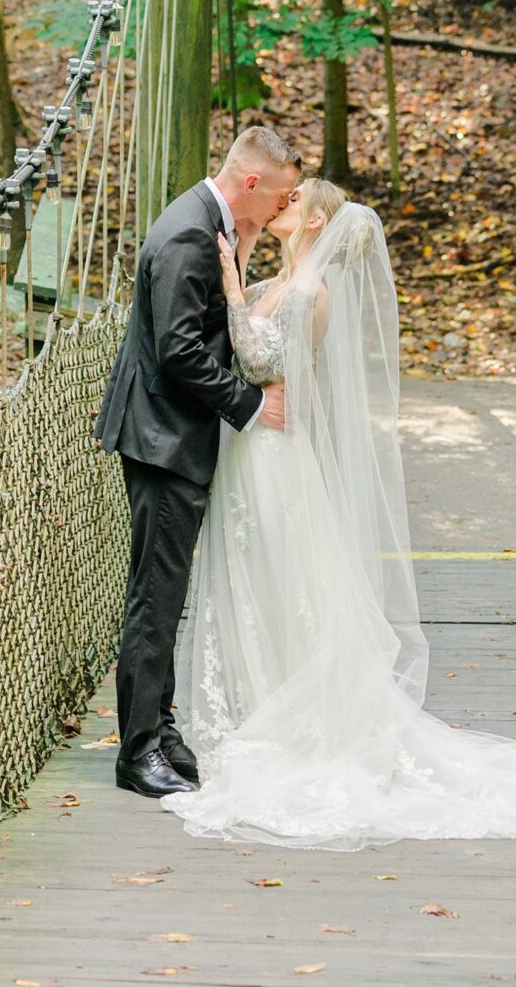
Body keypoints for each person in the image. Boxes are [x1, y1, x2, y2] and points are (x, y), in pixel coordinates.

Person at [163, 177, 516, 848]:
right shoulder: (277, 281)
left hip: (276, 454)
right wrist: (236, 279)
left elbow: (261, 359)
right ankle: (254, 708)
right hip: (250, 449)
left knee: (288, 578)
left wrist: (235, 292)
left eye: (293, 200)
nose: (280, 205)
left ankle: (294, 721)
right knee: (254, 578)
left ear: (317, 222)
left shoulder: (310, 293)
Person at [93, 127, 303, 798]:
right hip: (161, 436)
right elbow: (179, 351)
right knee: (155, 596)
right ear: (250, 182)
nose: (282, 205)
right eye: (279, 193)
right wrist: (247, 405)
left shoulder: (208, 222)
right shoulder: (188, 232)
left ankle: (159, 726)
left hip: (169, 432)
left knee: (166, 590)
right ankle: (137, 751)